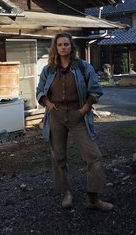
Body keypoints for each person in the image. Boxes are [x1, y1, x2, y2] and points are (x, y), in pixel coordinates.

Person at [36, 32, 114, 211]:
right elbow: (40, 91)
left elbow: (95, 90)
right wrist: (49, 105)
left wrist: (83, 110)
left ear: (72, 47)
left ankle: (93, 199)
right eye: (60, 44)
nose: (63, 47)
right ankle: (66, 193)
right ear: (56, 48)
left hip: (77, 116)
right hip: (55, 117)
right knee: (59, 157)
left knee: (94, 156)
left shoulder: (82, 67)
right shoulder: (49, 70)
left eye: (66, 44)